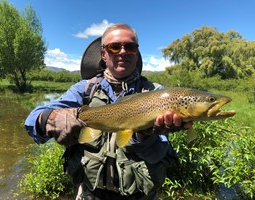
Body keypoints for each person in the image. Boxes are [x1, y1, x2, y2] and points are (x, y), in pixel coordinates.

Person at [25, 23, 192, 200]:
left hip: (140, 195)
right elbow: (33, 119)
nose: (122, 52)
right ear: (103, 54)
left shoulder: (157, 94)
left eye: (130, 47)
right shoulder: (85, 89)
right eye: (114, 47)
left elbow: (158, 153)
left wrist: (143, 135)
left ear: (136, 53)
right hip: (91, 194)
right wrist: (50, 119)